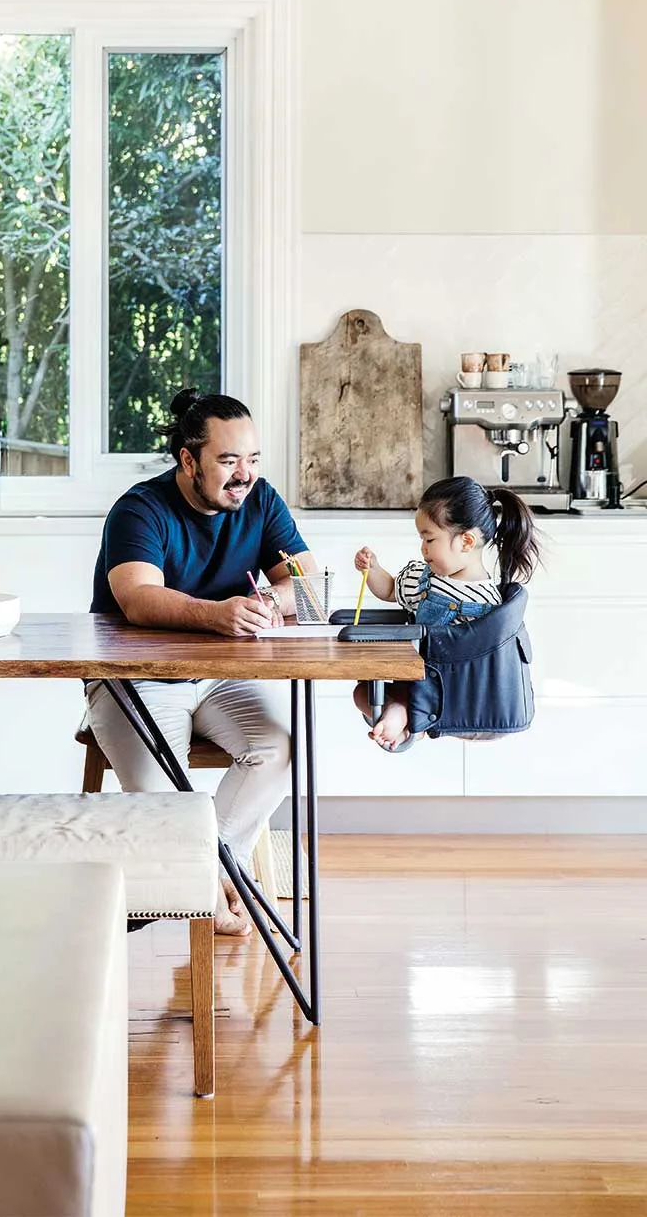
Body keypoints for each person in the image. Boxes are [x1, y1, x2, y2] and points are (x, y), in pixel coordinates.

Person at [87, 388, 318, 936]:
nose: (245, 474)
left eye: (254, 459)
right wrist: (218, 614)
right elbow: (137, 599)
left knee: (281, 747)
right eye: (229, 460)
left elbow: (307, 588)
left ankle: (203, 879)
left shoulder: (261, 501)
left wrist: (269, 602)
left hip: (222, 677)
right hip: (133, 680)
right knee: (165, 798)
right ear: (188, 460)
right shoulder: (139, 509)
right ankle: (211, 887)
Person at [352, 475, 540, 752]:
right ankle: (402, 712)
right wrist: (373, 570)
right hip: (418, 681)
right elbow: (390, 590)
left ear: (466, 541)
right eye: (421, 539)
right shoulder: (424, 579)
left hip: (461, 696)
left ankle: (409, 719)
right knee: (362, 692)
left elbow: (487, 668)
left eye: (429, 539)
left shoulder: (490, 604)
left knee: (409, 688)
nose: (422, 548)